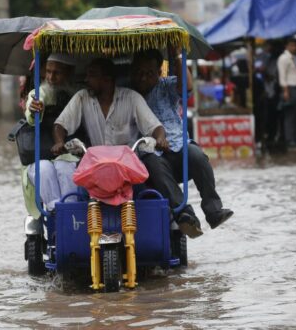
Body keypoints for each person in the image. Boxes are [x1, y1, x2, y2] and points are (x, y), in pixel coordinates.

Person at [52, 58, 204, 238]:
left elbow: (155, 127)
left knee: (147, 196)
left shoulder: (131, 98)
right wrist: (59, 141)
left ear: (107, 79)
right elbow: (60, 125)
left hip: (128, 166)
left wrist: (161, 139)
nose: (87, 80)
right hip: (95, 165)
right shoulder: (82, 97)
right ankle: (75, 234)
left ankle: (159, 228)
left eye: (92, 76)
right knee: (79, 193)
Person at [131, 49, 234, 233]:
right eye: (140, 73)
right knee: (154, 163)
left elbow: (186, 87)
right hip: (152, 156)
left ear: (158, 72)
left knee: (197, 155)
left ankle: (213, 211)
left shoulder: (165, 85)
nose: (144, 78)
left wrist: (178, 56)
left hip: (178, 148)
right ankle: (184, 214)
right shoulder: (128, 94)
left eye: (150, 73)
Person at [24, 53, 80, 211]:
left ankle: (70, 212)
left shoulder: (79, 94)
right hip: (42, 154)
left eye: (57, 73)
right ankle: (55, 214)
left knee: (65, 166)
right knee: (42, 169)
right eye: (48, 72)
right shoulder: (40, 93)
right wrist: (34, 107)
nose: (51, 77)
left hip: (71, 154)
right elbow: (33, 105)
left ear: (69, 73)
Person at [277, 38, 296, 147]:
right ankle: (290, 139)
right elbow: (282, 76)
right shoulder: (283, 58)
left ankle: (295, 137)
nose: (295, 48)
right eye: (292, 45)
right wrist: (286, 91)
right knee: (290, 115)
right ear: (287, 46)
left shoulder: (294, 58)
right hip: (290, 89)